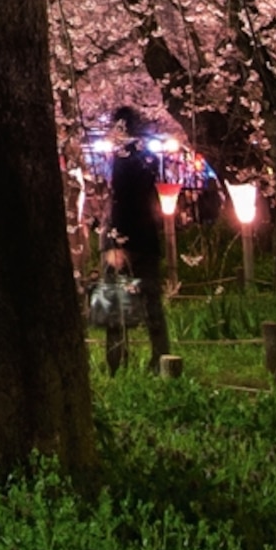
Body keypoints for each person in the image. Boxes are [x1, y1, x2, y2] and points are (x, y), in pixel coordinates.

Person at [103, 107, 172, 373]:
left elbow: (122, 202)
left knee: (113, 305)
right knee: (151, 304)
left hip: (126, 243)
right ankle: (161, 359)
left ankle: (115, 363)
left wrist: (117, 244)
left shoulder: (124, 160)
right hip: (148, 241)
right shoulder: (147, 157)